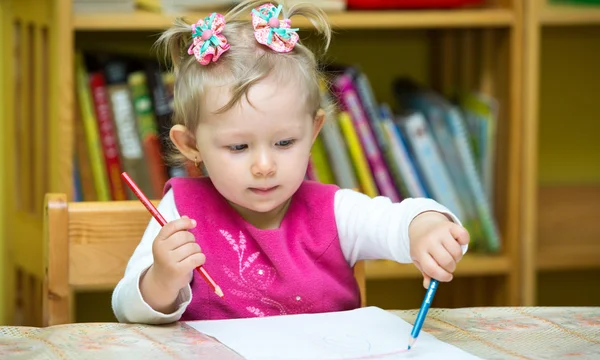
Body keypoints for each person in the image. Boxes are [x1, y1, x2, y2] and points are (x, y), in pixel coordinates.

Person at [111, 0, 470, 324]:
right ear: (191, 145)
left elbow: (398, 221)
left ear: (313, 131)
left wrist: (427, 228)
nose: (264, 165)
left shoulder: (335, 212)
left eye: (284, 142)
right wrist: (160, 280)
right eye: (238, 147)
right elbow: (124, 306)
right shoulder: (181, 211)